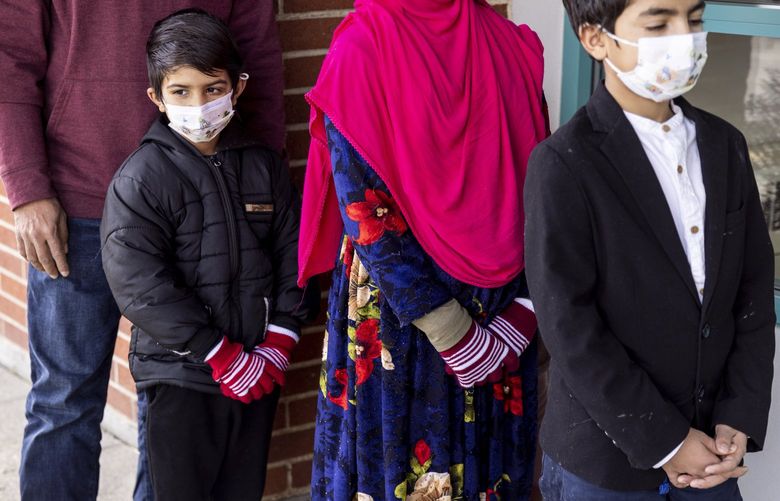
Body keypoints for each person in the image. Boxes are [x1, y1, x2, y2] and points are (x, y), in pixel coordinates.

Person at [0, 1, 284, 500]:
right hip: (77, 200)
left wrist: (258, 189)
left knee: (173, 400)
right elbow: (9, 56)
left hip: (200, 206)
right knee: (64, 401)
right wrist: (26, 185)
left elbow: (255, 52)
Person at [524, 0, 775, 499]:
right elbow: (570, 327)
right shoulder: (564, 163)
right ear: (595, 39)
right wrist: (668, 442)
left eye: (695, 19)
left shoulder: (725, 145)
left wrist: (737, 417)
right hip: (605, 465)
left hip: (713, 453)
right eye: (659, 23)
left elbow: (751, 291)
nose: (685, 37)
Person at [298, 0, 548, 498]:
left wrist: (525, 309)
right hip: (405, 321)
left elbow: (543, 190)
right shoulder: (361, 49)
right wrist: (451, 331)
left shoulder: (507, 41)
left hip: (500, 317)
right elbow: (363, 208)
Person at [99, 9, 305, 500]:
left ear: (238, 86)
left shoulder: (262, 165)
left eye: (214, 88)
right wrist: (219, 354)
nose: (200, 102)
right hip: (182, 374)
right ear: (156, 97)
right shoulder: (142, 177)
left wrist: (278, 340)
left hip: (257, 368)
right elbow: (140, 284)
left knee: (241, 490)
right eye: (181, 91)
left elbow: (294, 255)